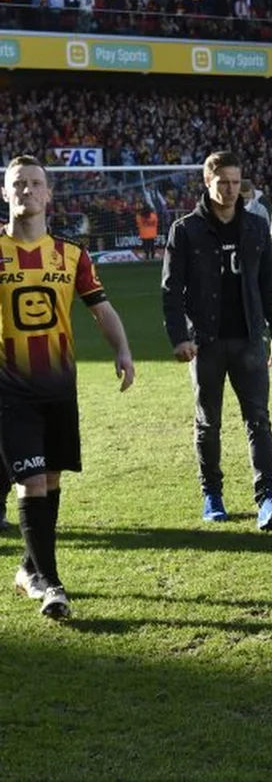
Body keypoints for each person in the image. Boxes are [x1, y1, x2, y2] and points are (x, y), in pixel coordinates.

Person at [1, 155, 136, 620]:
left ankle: (28, 568)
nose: (27, 190)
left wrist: (122, 350)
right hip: (8, 390)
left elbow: (100, 306)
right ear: (5, 193)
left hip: (59, 387)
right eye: (18, 183)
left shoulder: (71, 254)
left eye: (35, 184)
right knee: (32, 480)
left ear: (48, 194)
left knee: (52, 480)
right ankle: (51, 583)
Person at [161, 151, 272, 530]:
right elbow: (172, 290)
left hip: (250, 338)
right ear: (207, 182)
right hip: (206, 343)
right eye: (223, 183)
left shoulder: (254, 225)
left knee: (259, 421)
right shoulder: (185, 230)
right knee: (208, 424)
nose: (231, 189)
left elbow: (270, 281)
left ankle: (267, 498)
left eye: (236, 182)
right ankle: (212, 495)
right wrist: (179, 337)